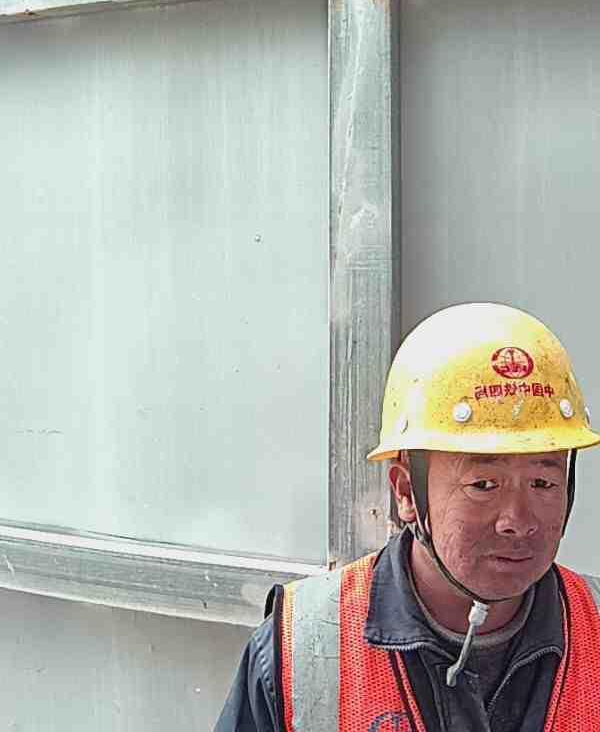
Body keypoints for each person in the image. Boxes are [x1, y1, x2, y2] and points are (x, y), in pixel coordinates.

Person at [215, 302, 600, 731]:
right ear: (405, 492)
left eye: (543, 483)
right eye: (483, 484)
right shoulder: (302, 648)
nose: (517, 520)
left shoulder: (594, 628)